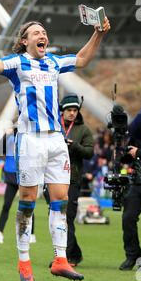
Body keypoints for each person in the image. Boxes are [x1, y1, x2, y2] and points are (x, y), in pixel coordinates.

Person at [0, 11, 110, 281]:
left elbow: (82, 59)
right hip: (30, 138)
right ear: (24, 41)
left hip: (56, 140)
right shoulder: (18, 63)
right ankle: (24, 260)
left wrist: (99, 32)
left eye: (44, 33)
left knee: (59, 201)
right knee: (27, 199)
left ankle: (60, 259)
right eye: (36, 33)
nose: (43, 36)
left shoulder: (53, 62)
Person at [59, 92, 94, 266]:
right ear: (62, 111)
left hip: (73, 178)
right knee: (58, 217)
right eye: (69, 110)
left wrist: (75, 146)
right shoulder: (55, 126)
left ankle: (67, 257)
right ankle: (73, 253)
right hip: (54, 178)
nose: (72, 113)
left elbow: (90, 153)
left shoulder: (84, 129)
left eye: (75, 110)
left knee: (68, 217)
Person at [0, 127, 36, 244]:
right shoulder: (10, 138)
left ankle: (31, 234)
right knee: (6, 205)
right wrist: (5, 135)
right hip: (11, 176)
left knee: (27, 204)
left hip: (24, 174)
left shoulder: (28, 137)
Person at [119, 112, 141, 271]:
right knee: (128, 217)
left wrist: (138, 153)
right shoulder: (138, 130)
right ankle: (132, 255)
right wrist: (122, 153)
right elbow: (129, 157)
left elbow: (137, 153)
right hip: (138, 181)